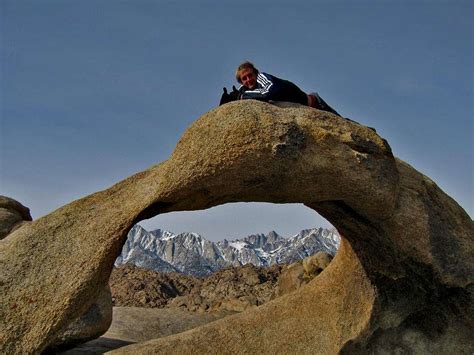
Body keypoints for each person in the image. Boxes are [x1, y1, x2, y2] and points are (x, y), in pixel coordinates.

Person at [220, 61, 340, 116]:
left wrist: (242, 97)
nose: (248, 80)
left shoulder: (263, 78)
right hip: (301, 112)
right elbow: (238, 97)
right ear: (241, 81)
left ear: (255, 73)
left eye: (250, 75)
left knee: (345, 125)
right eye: (244, 78)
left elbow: (269, 92)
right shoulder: (244, 90)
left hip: (315, 103)